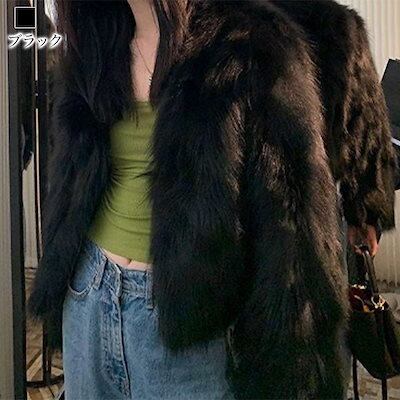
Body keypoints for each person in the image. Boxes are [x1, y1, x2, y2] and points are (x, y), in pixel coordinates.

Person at [27, 0, 396, 399]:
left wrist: (365, 208)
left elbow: (292, 228)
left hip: (190, 318)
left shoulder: (251, 46)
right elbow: (74, 181)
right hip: (89, 296)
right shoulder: (95, 43)